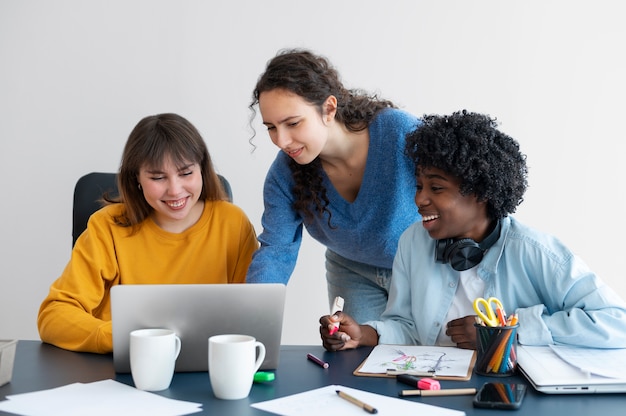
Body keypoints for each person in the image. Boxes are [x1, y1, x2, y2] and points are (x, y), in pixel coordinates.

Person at [320, 110, 626, 351]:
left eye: (436, 188)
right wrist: (364, 333)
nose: (419, 199)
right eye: (419, 186)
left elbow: (615, 322)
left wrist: (504, 332)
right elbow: (406, 326)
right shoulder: (414, 241)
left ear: (481, 193)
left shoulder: (534, 251)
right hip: (433, 391)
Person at [38, 113, 259, 353]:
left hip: (210, 370)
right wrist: (123, 339)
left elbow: (251, 316)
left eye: (186, 173)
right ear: (137, 178)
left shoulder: (233, 224)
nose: (175, 190)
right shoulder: (107, 227)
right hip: (122, 370)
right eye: (157, 177)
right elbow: (53, 315)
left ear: (202, 171)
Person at [246, 49, 422, 323]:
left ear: (329, 109)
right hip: (352, 272)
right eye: (271, 127)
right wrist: (252, 316)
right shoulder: (284, 175)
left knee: (430, 360)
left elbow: (461, 195)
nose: (281, 141)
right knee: (358, 361)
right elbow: (276, 251)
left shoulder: (398, 133)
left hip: (425, 269)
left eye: (292, 123)